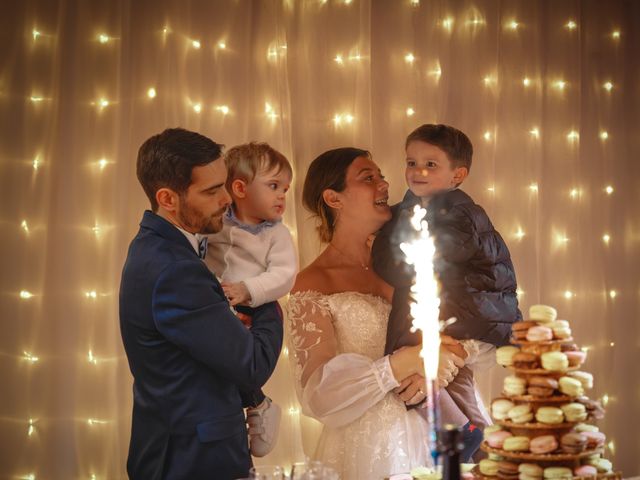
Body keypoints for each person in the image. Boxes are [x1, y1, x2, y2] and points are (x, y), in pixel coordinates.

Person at [287, 147, 464, 479]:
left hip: (429, 437)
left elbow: (457, 326)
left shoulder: (406, 262)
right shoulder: (312, 282)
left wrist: (443, 361)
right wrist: (399, 365)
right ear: (333, 198)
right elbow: (319, 396)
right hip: (364, 450)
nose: (383, 184)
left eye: (381, 176)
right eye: (368, 177)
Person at [119, 128, 283, 479]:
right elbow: (252, 364)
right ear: (167, 198)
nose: (227, 199)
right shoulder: (175, 268)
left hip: (179, 449)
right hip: (193, 460)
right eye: (211, 191)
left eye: (224, 184)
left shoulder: (157, 247)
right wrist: (265, 296)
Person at [371, 124, 522, 458]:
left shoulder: (458, 213)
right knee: (450, 378)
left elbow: (417, 261)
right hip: (467, 307)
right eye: (411, 162)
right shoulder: (420, 209)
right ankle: (477, 434)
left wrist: (383, 245)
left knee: (406, 362)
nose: (418, 171)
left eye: (431, 164)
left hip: (472, 309)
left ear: (458, 175)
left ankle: (458, 432)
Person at [205, 142, 298, 457]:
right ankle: (258, 403)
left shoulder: (276, 235)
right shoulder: (217, 224)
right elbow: (200, 259)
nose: (282, 195)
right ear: (240, 188)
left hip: (262, 309)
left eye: (285, 188)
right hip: (223, 306)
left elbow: (285, 274)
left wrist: (248, 290)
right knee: (219, 358)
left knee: (247, 364)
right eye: (273, 186)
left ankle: (257, 401)